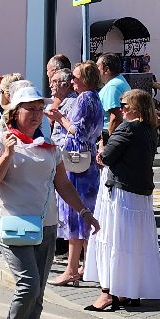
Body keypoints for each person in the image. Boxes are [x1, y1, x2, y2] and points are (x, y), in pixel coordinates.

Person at [0, 85, 98, 319]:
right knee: (28, 286)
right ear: (15, 112)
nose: (35, 114)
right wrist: (7, 154)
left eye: (38, 109)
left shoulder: (48, 147)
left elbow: (63, 185)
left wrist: (84, 212)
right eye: (29, 109)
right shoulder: (0, 142)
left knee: (38, 295)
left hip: (45, 226)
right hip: (12, 224)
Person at [84, 89, 160, 312]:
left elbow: (106, 157)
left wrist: (100, 148)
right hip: (140, 193)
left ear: (135, 108)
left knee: (113, 239)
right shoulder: (149, 129)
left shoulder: (128, 127)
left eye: (124, 105)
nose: (120, 109)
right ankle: (129, 290)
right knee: (133, 242)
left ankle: (108, 293)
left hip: (120, 192)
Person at [46, 61, 103, 286]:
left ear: (85, 79)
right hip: (86, 161)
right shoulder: (95, 98)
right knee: (85, 213)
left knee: (74, 214)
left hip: (77, 161)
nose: (72, 81)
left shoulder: (84, 99)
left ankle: (71, 269)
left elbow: (77, 131)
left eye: (76, 77)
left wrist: (60, 117)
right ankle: (87, 266)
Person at [95, 52, 129, 132]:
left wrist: (110, 141)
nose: (96, 70)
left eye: (98, 67)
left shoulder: (112, 87)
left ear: (106, 69)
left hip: (109, 134)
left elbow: (116, 117)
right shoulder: (118, 81)